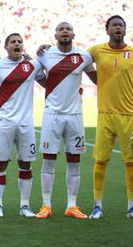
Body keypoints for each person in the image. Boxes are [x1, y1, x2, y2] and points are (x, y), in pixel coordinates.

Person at [88, 15, 133, 220]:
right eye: (114, 25)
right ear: (107, 30)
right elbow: (76, 60)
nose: (118, 28)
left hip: (130, 115)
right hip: (105, 114)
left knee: (131, 162)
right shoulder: (97, 51)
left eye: (121, 25)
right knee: (101, 160)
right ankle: (97, 206)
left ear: (125, 30)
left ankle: (132, 207)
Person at [35, 22, 95, 219]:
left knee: (74, 161)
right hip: (52, 114)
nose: (65, 32)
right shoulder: (45, 54)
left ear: (73, 34)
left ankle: (72, 206)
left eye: (68, 29)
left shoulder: (83, 56)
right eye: (61, 29)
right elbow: (35, 73)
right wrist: (51, 88)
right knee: (49, 159)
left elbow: (96, 77)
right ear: (55, 35)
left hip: (75, 116)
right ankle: (46, 205)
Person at [0, 33, 45, 218]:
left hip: (26, 123)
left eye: (19, 42)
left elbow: (49, 82)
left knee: (25, 164)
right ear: (6, 46)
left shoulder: (33, 65)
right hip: (4, 122)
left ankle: (24, 206)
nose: (17, 44)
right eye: (13, 42)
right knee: (0, 163)